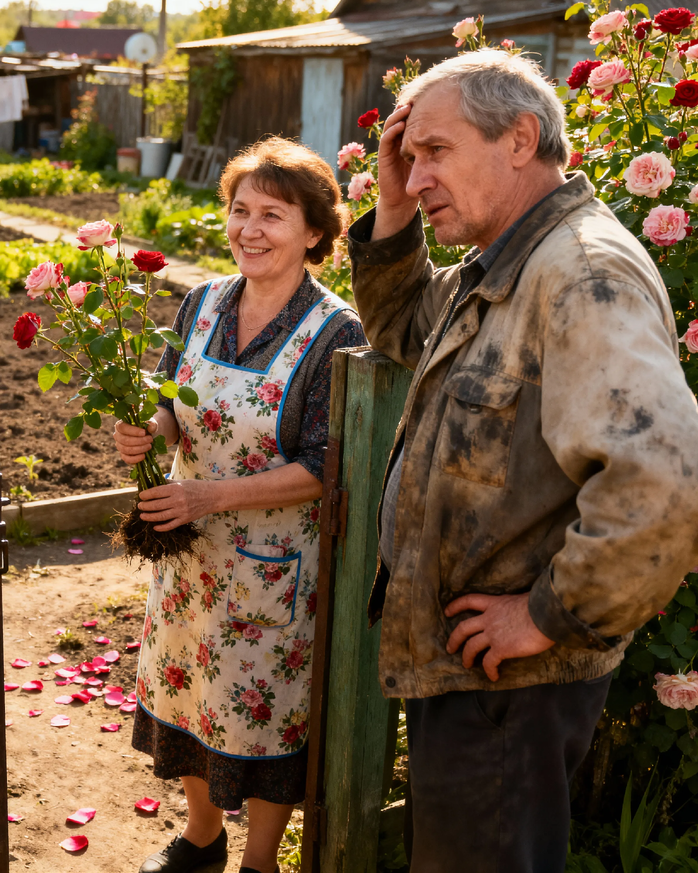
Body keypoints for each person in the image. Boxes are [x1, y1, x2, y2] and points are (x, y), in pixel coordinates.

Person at [347, 49, 698, 871]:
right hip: (473, 674)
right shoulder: (503, 261)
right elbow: (400, 327)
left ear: (519, 139)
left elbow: (666, 481)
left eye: (434, 151)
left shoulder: (580, 272)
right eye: (409, 153)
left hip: (511, 686)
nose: (416, 171)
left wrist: (544, 617)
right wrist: (394, 206)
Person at [114, 137, 367, 873]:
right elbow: (171, 403)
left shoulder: (334, 331)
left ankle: (258, 860)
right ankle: (202, 838)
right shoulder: (202, 301)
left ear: (315, 232)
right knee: (187, 687)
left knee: (263, 711)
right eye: (239, 210)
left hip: (272, 565)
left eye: (273, 215)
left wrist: (208, 495)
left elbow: (323, 465)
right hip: (189, 553)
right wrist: (147, 429)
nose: (248, 230)